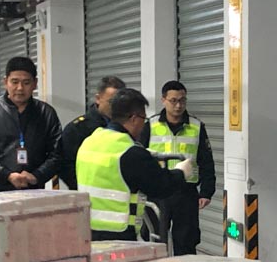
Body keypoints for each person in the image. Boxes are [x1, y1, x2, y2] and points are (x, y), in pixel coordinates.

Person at [76, 88, 193, 242]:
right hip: (118, 237)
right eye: (143, 119)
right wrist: (181, 172)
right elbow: (161, 186)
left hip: (87, 233)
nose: (143, 124)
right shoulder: (129, 152)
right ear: (134, 118)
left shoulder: (90, 141)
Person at [139, 81, 216, 255]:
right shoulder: (150, 125)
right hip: (157, 192)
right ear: (163, 100)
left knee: (186, 241)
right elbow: (140, 158)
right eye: (173, 100)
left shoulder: (196, 126)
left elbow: (206, 161)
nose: (178, 105)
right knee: (154, 241)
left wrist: (206, 191)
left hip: (185, 192)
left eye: (182, 100)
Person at [0, 56, 62, 193]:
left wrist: (37, 176)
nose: (20, 88)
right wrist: (6, 175)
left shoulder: (46, 113)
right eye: (15, 82)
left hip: (33, 189)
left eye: (26, 82)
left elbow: (57, 154)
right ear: (5, 82)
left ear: (35, 84)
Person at [59, 76, 125, 190]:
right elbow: (65, 166)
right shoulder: (78, 128)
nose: (116, 107)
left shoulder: (128, 125)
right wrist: (84, 187)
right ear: (98, 99)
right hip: (88, 193)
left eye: (121, 102)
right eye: (111, 102)